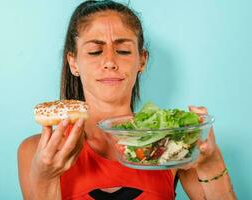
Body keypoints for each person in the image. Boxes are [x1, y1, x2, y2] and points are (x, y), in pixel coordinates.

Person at [17, 1, 236, 199]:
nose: (110, 61)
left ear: (142, 61)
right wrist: (44, 179)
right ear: (73, 63)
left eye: (123, 50)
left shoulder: (170, 142)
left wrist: (211, 162)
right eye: (95, 51)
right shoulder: (37, 151)